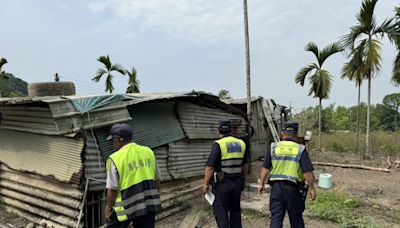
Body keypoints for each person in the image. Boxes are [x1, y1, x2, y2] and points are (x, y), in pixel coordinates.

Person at [258, 121, 317, 228]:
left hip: (276, 189)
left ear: (282, 133)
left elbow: (265, 168)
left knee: (276, 219)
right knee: (296, 220)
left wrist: (261, 184)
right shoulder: (300, 149)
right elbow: (307, 173)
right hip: (293, 190)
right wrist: (312, 188)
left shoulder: (273, 147)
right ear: (296, 134)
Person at [105, 123, 161, 228]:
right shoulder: (148, 152)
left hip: (126, 208)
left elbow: (112, 190)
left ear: (118, 140)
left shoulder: (115, 158)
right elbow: (156, 180)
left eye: (113, 140)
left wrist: (108, 209)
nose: (113, 143)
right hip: (148, 204)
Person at [203, 119, 248, 228]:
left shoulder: (218, 144)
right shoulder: (241, 143)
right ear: (230, 130)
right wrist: (241, 178)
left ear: (219, 130)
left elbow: (210, 167)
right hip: (237, 183)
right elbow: (245, 166)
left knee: (221, 210)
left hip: (222, 185)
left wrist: (205, 184)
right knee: (235, 211)